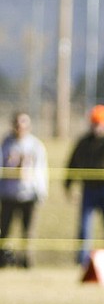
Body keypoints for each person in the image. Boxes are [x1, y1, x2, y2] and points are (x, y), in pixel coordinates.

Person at [64, 104, 104, 266]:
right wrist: (68, 184)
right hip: (88, 188)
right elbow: (72, 163)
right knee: (85, 225)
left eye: (100, 123)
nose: (97, 127)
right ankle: (83, 260)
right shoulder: (84, 142)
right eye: (94, 123)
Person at [0, 111, 50, 268]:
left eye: (23, 123)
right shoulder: (6, 144)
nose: (20, 127)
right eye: (17, 123)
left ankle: (27, 262)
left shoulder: (35, 145)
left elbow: (41, 170)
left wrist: (41, 192)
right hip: (8, 194)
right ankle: (2, 260)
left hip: (29, 195)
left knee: (28, 233)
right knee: (5, 231)